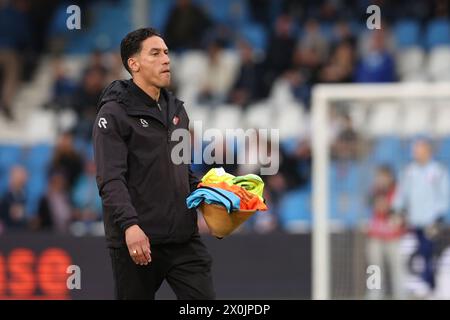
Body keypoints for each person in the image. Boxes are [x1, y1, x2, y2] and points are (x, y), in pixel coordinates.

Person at [93, 28, 215, 300]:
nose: (166, 59)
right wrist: (130, 227)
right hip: (138, 240)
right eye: (156, 53)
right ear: (133, 64)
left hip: (183, 239)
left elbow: (183, 171)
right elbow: (110, 178)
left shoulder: (177, 110)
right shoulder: (113, 113)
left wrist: (211, 198)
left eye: (167, 53)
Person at [392, 137, 450, 297]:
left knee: (428, 253)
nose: (416, 154)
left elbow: (444, 196)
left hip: (432, 223)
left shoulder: (437, 171)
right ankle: (423, 287)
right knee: (415, 256)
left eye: (419, 150)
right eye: (415, 150)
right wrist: (397, 210)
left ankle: (429, 287)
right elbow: (401, 194)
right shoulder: (409, 171)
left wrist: (439, 217)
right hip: (414, 222)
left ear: (427, 152)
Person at [366, 165, 406, 300]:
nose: (380, 180)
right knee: (375, 268)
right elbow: (371, 206)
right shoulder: (373, 191)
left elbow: (400, 212)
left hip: (394, 237)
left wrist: (392, 211)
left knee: (398, 268)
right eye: (378, 177)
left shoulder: (398, 191)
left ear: (390, 177)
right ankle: (375, 295)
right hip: (376, 236)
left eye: (383, 177)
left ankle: (401, 295)